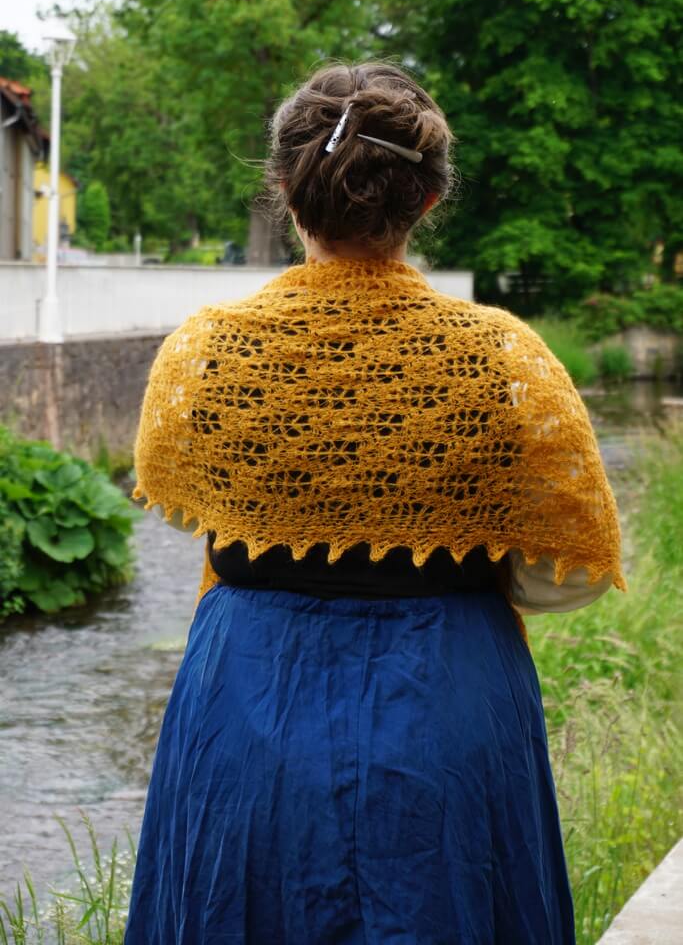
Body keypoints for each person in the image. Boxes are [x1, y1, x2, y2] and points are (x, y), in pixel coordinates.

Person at [124, 61, 626, 945]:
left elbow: (184, 506)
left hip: (246, 695)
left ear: (284, 191)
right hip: (448, 696)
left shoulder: (204, 350)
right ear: (428, 201)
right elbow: (565, 572)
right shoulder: (504, 356)